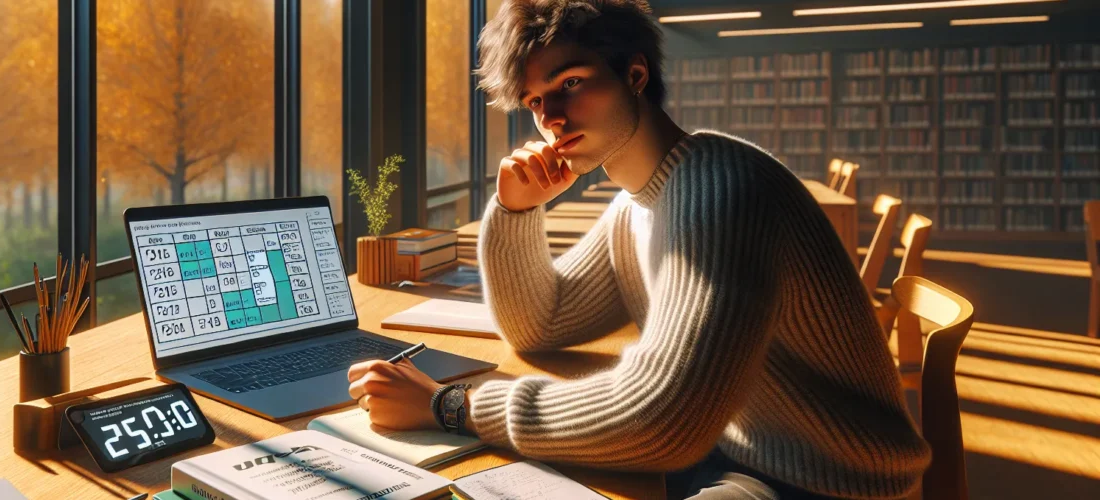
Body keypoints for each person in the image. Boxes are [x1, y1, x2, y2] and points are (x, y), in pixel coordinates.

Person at [347, 1, 930, 498]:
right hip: (733, 445)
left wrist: (453, 406)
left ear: (634, 75)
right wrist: (517, 210)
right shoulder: (638, 203)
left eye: (570, 84)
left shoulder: (726, 191)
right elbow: (541, 324)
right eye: (535, 101)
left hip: (826, 478)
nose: (552, 120)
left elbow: (664, 416)